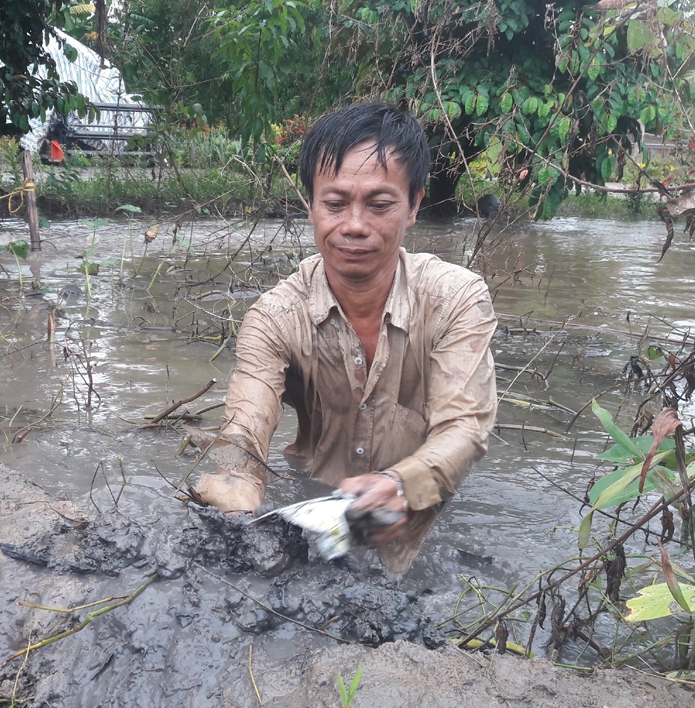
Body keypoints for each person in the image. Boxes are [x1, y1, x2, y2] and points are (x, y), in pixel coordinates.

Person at [195, 101, 497, 573]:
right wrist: (239, 500)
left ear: (414, 205)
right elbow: (244, 431)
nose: (354, 226)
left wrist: (401, 484)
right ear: (310, 206)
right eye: (335, 204)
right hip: (314, 505)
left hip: (418, 511)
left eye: (380, 205)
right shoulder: (274, 317)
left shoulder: (455, 298)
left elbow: (465, 428)